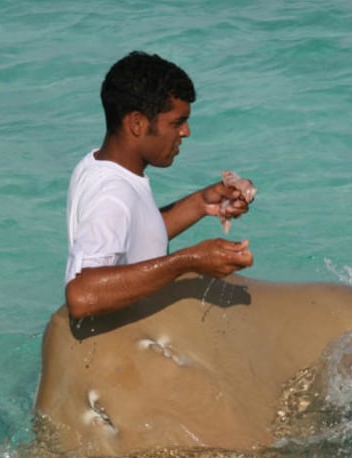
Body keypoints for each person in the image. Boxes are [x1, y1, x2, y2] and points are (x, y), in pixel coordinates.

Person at [63, 51, 255, 319]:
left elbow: (134, 235)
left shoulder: (98, 165)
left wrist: (202, 203)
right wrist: (190, 261)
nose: (186, 132)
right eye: (177, 123)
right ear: (137, 123)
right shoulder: (111, 194)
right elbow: (81, 295)